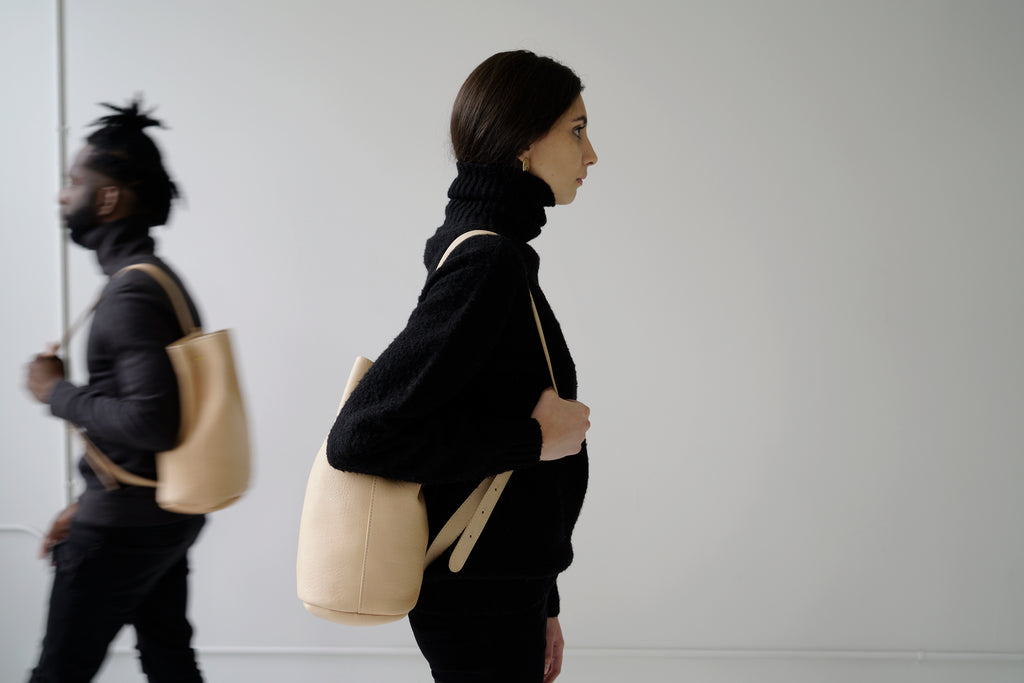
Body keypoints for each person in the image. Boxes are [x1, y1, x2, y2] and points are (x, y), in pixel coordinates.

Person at [327, 50, 598, 683]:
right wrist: (534, 439)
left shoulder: (492, 253)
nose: (591, 156)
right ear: (523, 143)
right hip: (482, 601)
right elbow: (361, 436)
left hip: (504, 590)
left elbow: (479, 419)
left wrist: (544, 599)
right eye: (577, 130)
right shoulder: (488, 264)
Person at [24, 98, 206, 682]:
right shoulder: (150, 281)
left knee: (59, 673)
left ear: (109, 198)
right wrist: (89, 499)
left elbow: (153, 422)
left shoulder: (131, 294)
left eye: (74, 182)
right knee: (169, 660)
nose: (62, 196)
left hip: (121, 530)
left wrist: (54, 391)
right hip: (157, 514)